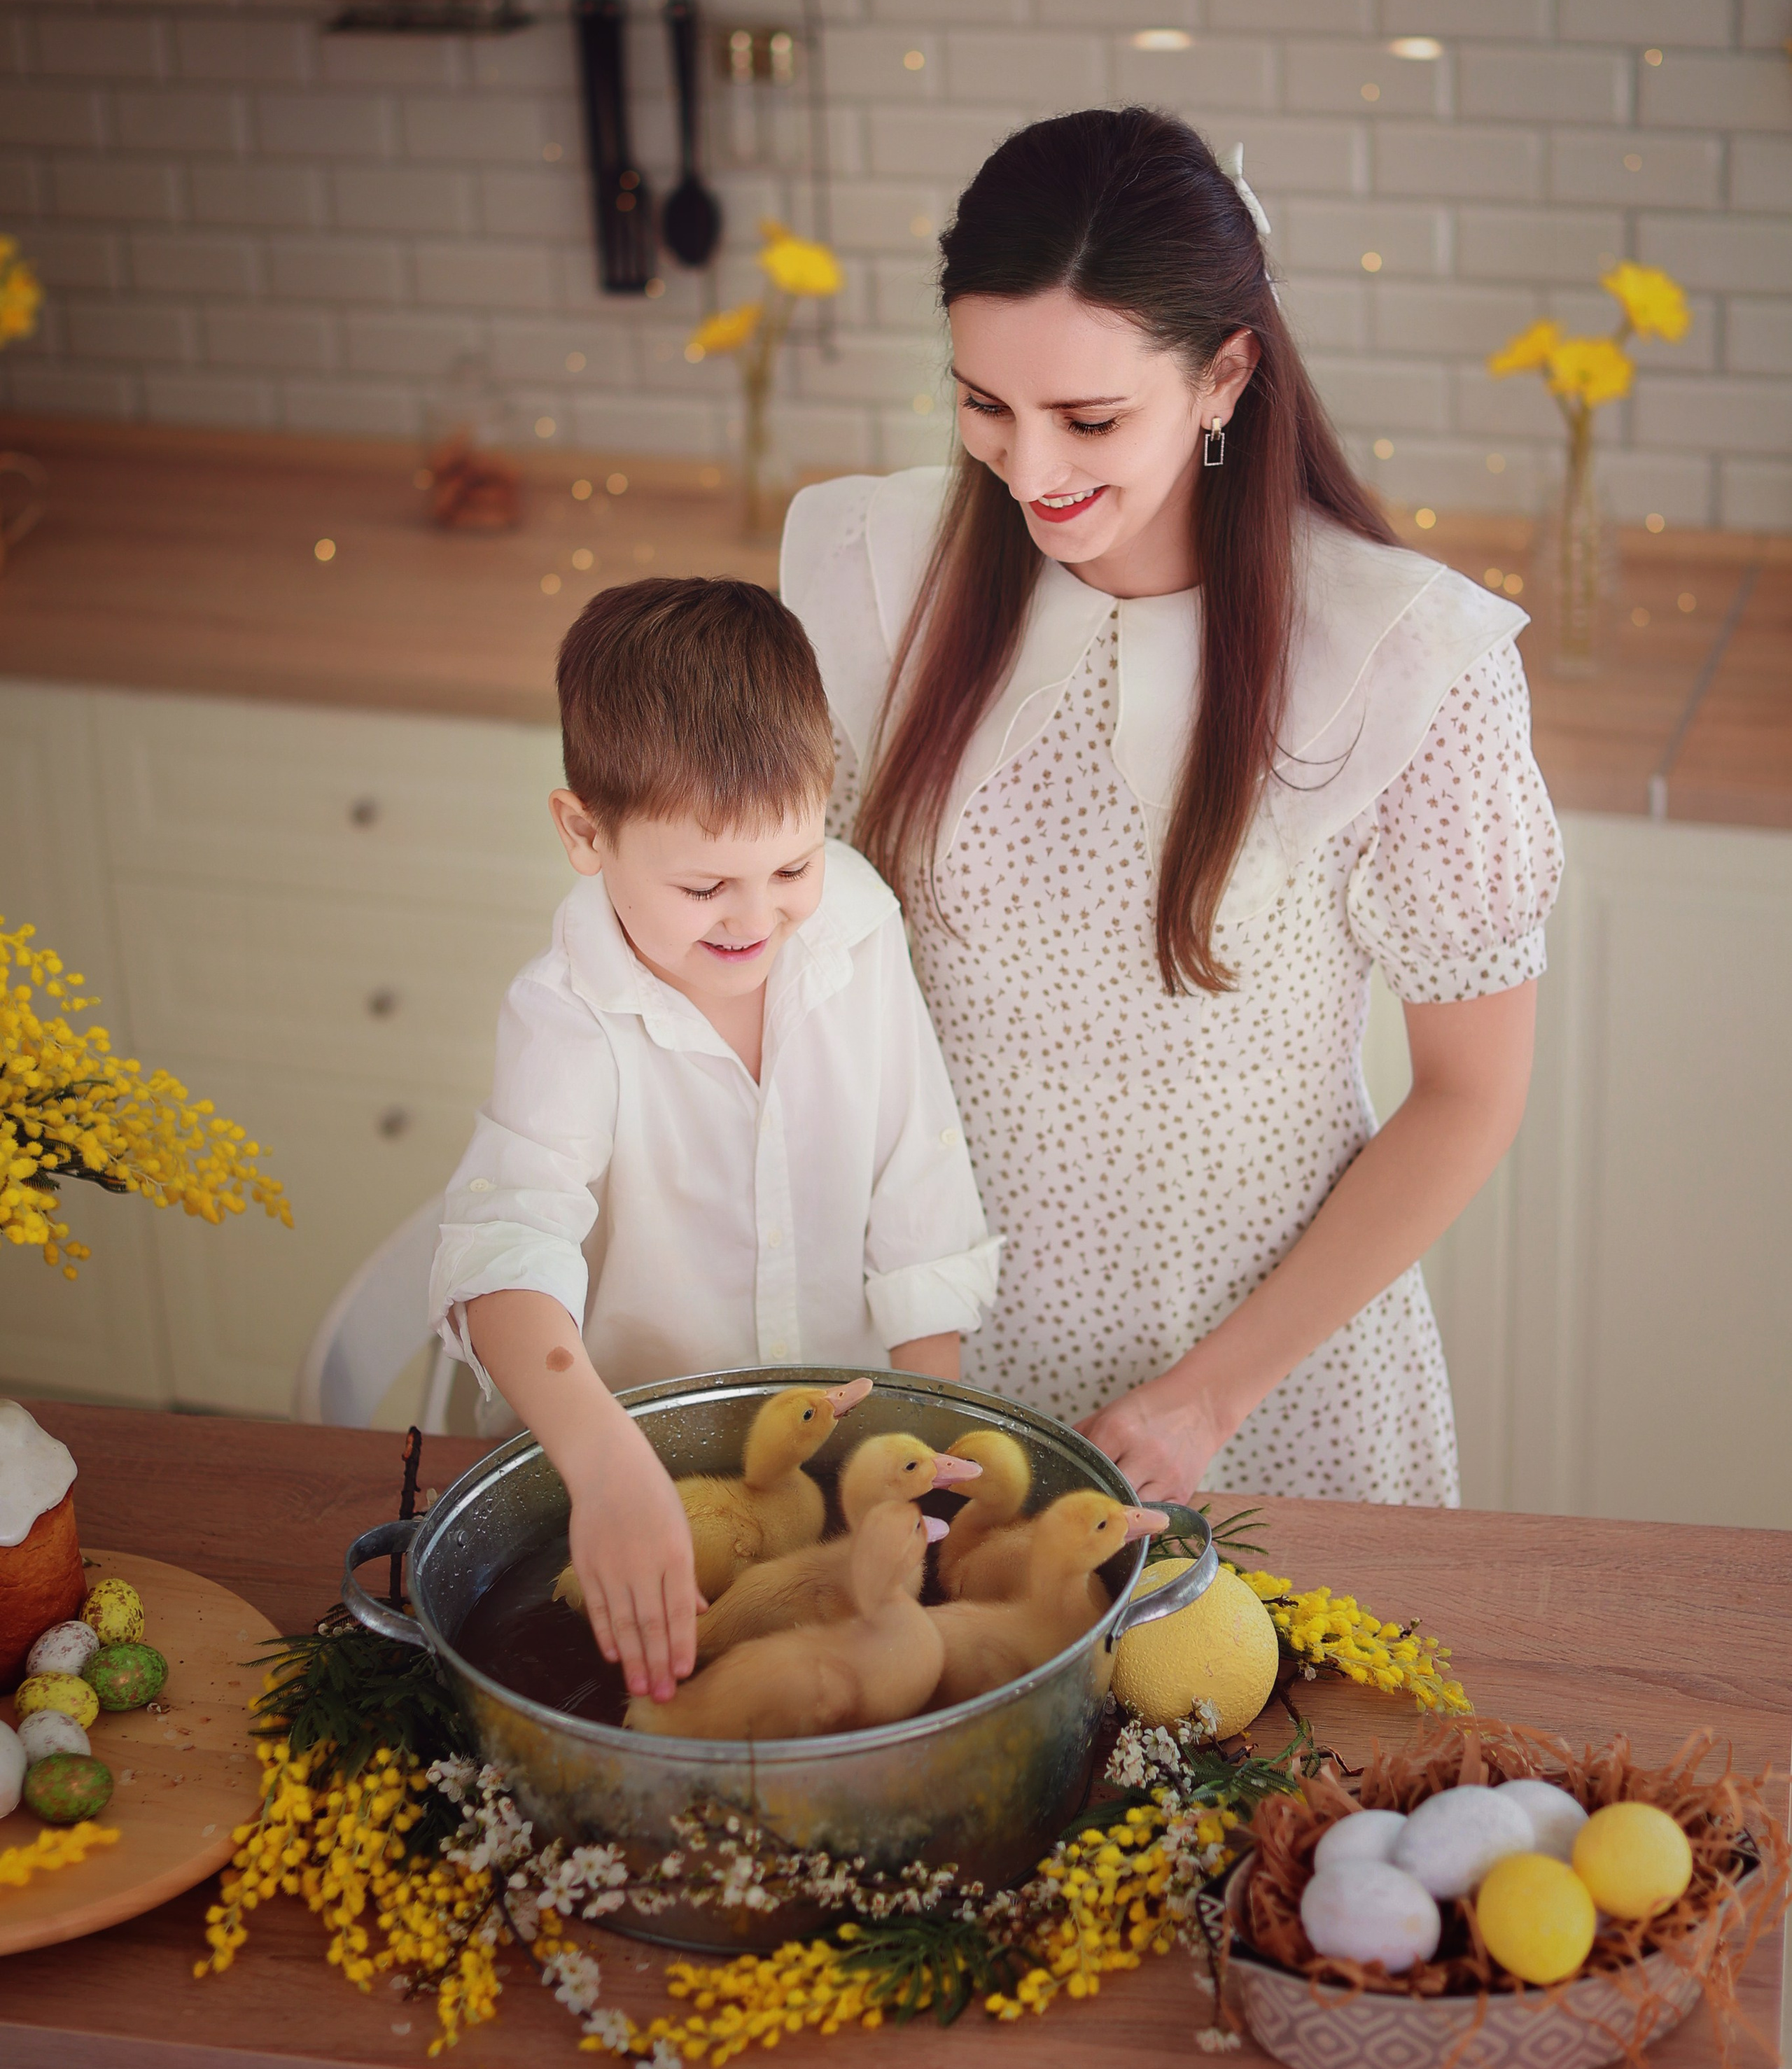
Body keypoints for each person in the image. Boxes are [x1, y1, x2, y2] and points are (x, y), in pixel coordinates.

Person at [783, 107, 1562, 1512]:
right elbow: (785, 965)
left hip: (1269, 1396)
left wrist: (1209, 1397)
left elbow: (1470, 1093)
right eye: (984, 404)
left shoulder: (1404, 666)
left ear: (1225, 376)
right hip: (935, 1374)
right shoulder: (869, 576)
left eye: (1089, 419)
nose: (1029, 470)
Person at [428, 577, 997, 1702]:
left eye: (791, 866)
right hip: (622, 1484)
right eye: (703, 885)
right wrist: (605, 1466)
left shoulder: (858, 931)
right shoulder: (566, 1014)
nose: (754, 917)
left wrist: (917, 1453)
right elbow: (507, 1249)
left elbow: (921, 1215)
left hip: (831, 1473)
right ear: (584, 833)